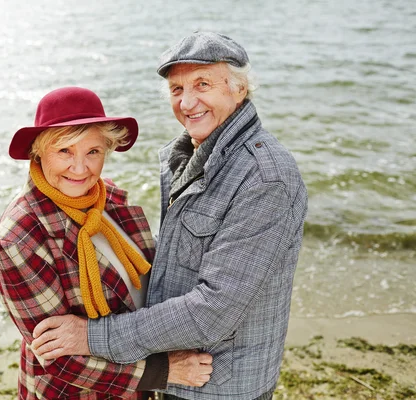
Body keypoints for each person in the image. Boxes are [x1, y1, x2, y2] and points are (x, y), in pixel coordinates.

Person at [30, 32, 309, 400]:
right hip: (178, 369)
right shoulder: (193, 155)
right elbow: (180, 258)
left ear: (238, 89)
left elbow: (214, 310)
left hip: (220, 386)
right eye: (177, 89)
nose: (188, 102)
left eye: (202, 84)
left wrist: (92, 336)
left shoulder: (264, 178)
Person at [0, 86, 213, 400]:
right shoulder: (20, 238)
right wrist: (164, 371)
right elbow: (59, 360)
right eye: (65, 151)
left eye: (92, 152)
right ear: (39, 152)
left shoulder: (106, 197)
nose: (81, 168)